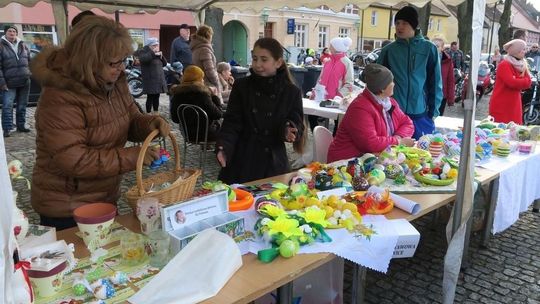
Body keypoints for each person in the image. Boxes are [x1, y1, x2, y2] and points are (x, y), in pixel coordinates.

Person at [29, 16, 171, 230]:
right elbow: (74, 160)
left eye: (124, 60)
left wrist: (150, 124)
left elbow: (130, 119)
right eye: (114, 63)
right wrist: (134, 157)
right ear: (90, 61)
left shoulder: (114, 81)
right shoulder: (61, 95)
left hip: (103, 196)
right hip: (67, 207)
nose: (122, 68)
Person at [216, 37, 305, 184]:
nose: (257, 64)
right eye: (255, 58)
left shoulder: (291, 91)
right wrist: (223, 146)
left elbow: (297, 122)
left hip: (273, 162)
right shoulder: (241, 86)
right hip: (242, 159)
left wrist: (288, 128)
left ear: (278, 62)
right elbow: (232, 121)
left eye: (264, 59)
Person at [377, 5, 442, 139]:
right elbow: (378, 83)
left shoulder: (429, 49)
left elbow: (435, 82)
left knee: (420, 154)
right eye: (397, 23)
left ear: (413, 25)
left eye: (404, 23)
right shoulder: (389, 50)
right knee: (393, 155)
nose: (399, 27)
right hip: (393, 112)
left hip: (420, 113)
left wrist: (432, 113)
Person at [327, 64, 414, 163]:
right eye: (391, 81)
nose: (394, 84)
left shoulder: (389, 102)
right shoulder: (360, 108)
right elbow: (370, 143)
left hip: (374, 159)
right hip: (347, 163)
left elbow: (407, 123)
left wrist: (398, 137)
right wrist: (399, 142)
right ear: (382, 89)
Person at [308, 36, 355, 133]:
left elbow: (349, 83)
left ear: (336, 47)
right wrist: (315, 92)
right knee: (311, 115)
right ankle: (319, 134)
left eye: (331, 45)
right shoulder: (327, 62)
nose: (329, 47)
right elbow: (320, 79)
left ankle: (333, 141)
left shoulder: (347, 62)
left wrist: (339, 96)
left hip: (337, 100)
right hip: (322, 98)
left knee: (338, 124)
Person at [170, 65, 223, 142]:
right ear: (197, 79)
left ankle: (207, 147)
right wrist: (214, 96)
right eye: (201, 78)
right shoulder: (202, 94)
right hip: (207, 134)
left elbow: (175, 119)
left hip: (187, 135)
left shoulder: (177, 94)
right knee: (227, 125)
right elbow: (218, 114)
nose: (203, 81)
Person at [489, 39, 531, 124]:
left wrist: (516, 79)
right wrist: (520, 81)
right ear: (516, 51)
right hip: (502, 104)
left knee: (513, 132)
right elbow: (511, 82)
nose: (525, 52)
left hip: (514, 105)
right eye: (523, 49)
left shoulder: (523, 65)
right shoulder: (504, 64)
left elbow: (528, 82)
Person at [1, 25, 31, 138]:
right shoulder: (1, 46)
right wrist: (2, 83)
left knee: (22, 105)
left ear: (16, 33)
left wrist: (29, 73)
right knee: (7, 106)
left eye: (14, 31)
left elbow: (29, 60)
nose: (12, 33)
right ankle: (7, 128)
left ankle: (21, 125)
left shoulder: (23, 45)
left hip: (24, 80)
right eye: (10, 31)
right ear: (5, 33)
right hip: (9, 83)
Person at [190, 25, 222, 102]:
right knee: (214, 108)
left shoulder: (197, 47)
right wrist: (217, 80)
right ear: (208, 35)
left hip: (201, 83)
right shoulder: (204, 50)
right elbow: (209, 70)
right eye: (211, 35)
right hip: (208, 85)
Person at [138, 37, 167, 114]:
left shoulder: (156, 52)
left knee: (157, 97)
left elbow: (164, 64)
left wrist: (161, 57)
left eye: (156, 45)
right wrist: (153, 53)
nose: (156, 47)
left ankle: (156, 113)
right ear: (149, 45)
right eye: (154, 45)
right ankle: (148, 113)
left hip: (158, 79)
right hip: (150, 80)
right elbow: (143, 59)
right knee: (150, 97)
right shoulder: (143, 51)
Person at [432, 38, 455, 116]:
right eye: (433, 46)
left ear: (442, 48)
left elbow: (450, 81)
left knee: (438, 117)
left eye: (437, 46)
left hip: (442, 95)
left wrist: (451, 99)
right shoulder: (426, 58)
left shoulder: (448, 61)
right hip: (428, 94)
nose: (434, 48)